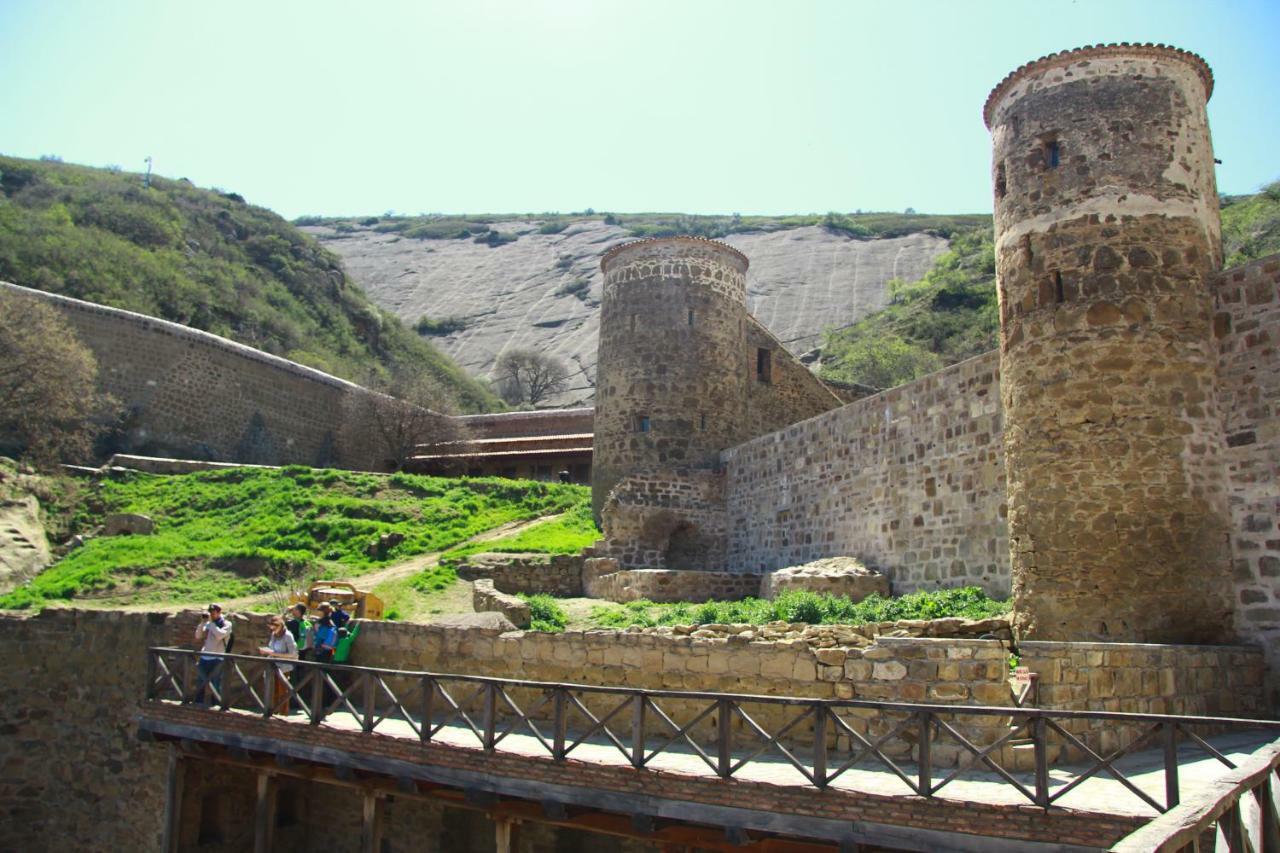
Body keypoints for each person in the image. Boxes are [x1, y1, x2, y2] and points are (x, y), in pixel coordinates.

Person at [193, 603, 232, 706]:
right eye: (210, 613)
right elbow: (198, 636)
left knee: (216, 683)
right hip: (204, 657)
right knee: (200, 682)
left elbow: (219, 635)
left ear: (219, 612)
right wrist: (202, 623)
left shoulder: (226, 624)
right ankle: (198, 704)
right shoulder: (208, 623)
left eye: (214, 613)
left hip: (217, 658)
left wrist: (211, 624)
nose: (212, 615)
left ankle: (217, 705)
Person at [259, 615, 299, 716]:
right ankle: (274, 713)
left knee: (283, 692)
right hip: (273, 666)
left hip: (284, 668)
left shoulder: (288, 636)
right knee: (273, 691)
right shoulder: (273, 634)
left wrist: (273, 653)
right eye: (271, 626)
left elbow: (293, 655)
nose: (272, 629)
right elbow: (272, 648)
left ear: (281, 625)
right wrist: (267, 651)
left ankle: (283, 714)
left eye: (275, 626)